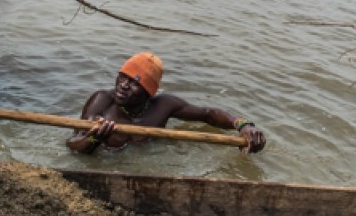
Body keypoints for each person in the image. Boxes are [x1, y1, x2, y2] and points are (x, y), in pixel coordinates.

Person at [66, 52, 266, 154]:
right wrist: (94, 140)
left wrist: (243, 125)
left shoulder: (162, 106)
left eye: (135, 83)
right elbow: (73, 146)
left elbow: (207, 114)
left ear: (149, 92)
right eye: (122, 77)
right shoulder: (102, 101)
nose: (123, 86)